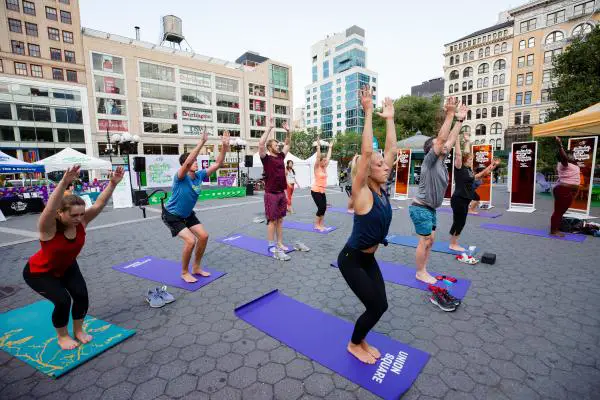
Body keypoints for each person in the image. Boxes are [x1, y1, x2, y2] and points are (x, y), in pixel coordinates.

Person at [23, 165, 124, 350]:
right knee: (62, 301)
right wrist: (63, 183)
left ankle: (78, 331)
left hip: (67, 266)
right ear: (60, 213)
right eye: (73, 215)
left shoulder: (82, 222)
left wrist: (112, 184)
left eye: (81, 214)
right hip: (40, 272)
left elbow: (99, 204)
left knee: (81, 295)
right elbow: (49, 209)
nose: (79, 218)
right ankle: (62, 336)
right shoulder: (49, 228)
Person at [338, 87, 397, 364]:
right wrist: (370, 112)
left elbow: (391, 150)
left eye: (386, 164)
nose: (386, 166)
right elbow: (366, 152)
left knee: (381, 305)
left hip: (368, 259)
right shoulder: (362, 192)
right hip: (351, 260)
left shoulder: (383, 189)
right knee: (374, 306)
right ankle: (354, 344)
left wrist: (390, 119)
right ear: (367, 170)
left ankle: (361, 339)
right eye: (380, 165)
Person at [409, 97, 467, 285]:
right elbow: (442, 139)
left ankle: (423, 268)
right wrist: (449, 114)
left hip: (430, 209)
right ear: (431, 149)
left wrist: (459, 121)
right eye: (438, 145)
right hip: (420, 208)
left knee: (431, 240)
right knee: (425, 240)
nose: (444, 146)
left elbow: (448, 140)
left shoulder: (441, 162)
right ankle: (420, 271)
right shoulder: (429, 162)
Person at [162, 130, 230, 283]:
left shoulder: (199, 175)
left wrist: (224, 147)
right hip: (172, 214)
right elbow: (187, 162)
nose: (195, 162)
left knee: (204, 236)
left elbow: (218, 163)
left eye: (195, 161)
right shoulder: (180, 177)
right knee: (190, 241)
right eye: (193, 161)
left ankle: (196, 267)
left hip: (187, 214)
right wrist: (202, 142)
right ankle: (184, 272)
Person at [449, 133, 500, 251]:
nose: (472, 161)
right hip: (458, 199)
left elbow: (481, 174)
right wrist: (456, 139)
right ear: (464, 160)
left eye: (472, 159)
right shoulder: (459, 167)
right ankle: (453, 244)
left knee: (460, 221)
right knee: (459, 222)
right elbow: (458, 154)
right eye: (470, 159)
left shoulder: (468, 170)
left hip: (464, 200)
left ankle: (453, 242)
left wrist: (492, 166)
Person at [259, 118, 292, 260]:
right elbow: (260, 144)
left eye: (278, 144)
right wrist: (270, 128)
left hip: (280, 193)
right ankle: (271, 245)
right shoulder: (265, 158)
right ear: (269, 147)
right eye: (275, 144)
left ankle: (279, 243)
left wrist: (289, 132)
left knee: (280, 220)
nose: (278, 145)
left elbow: (288, 144)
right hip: (271, 194)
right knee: (272, 220)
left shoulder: (280, 156)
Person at [550, 136, 581, 237]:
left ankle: (556, 227)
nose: (573, 156)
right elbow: (563, 157)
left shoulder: (572, 164)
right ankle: (553, 231)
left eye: (573, 154)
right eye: (570, 154)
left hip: (567, 190)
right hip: (564, 190)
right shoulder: (564, 163)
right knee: (559, 211)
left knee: (561, 211)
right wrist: (560, 145)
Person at [311, 135, 333, 231]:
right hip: (315, 190)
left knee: (324, 208)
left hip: (322, 191)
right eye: (323, 160)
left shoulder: (324, 168)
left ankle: (321, 225)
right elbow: (318, 156)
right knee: (321, 208)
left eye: (325, 161)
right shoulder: (317, 167)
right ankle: (317, 225)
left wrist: (330, 148)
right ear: (320, 161)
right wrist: (318, 146)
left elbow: (328, 157)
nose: (325, 161)